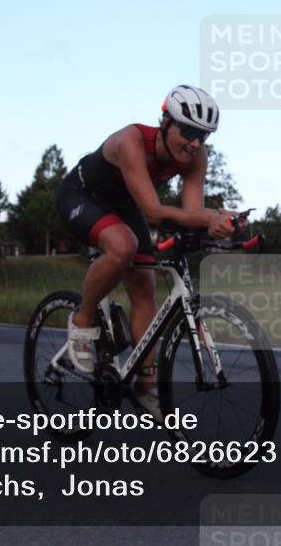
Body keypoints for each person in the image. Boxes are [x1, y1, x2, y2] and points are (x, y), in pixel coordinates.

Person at [55, 85, 237, 416]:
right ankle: (81, 321)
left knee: (144, 287)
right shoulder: (132, 141)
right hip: (81, 196)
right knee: (124, 245)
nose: (196, 142)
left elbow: (191, 213)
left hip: (125, 206)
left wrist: (223, 225)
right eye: (190, 130)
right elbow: (154, 212)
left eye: (204, 135)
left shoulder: (196, 157)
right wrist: (208, 216)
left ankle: (145, 386)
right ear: (166, 121)